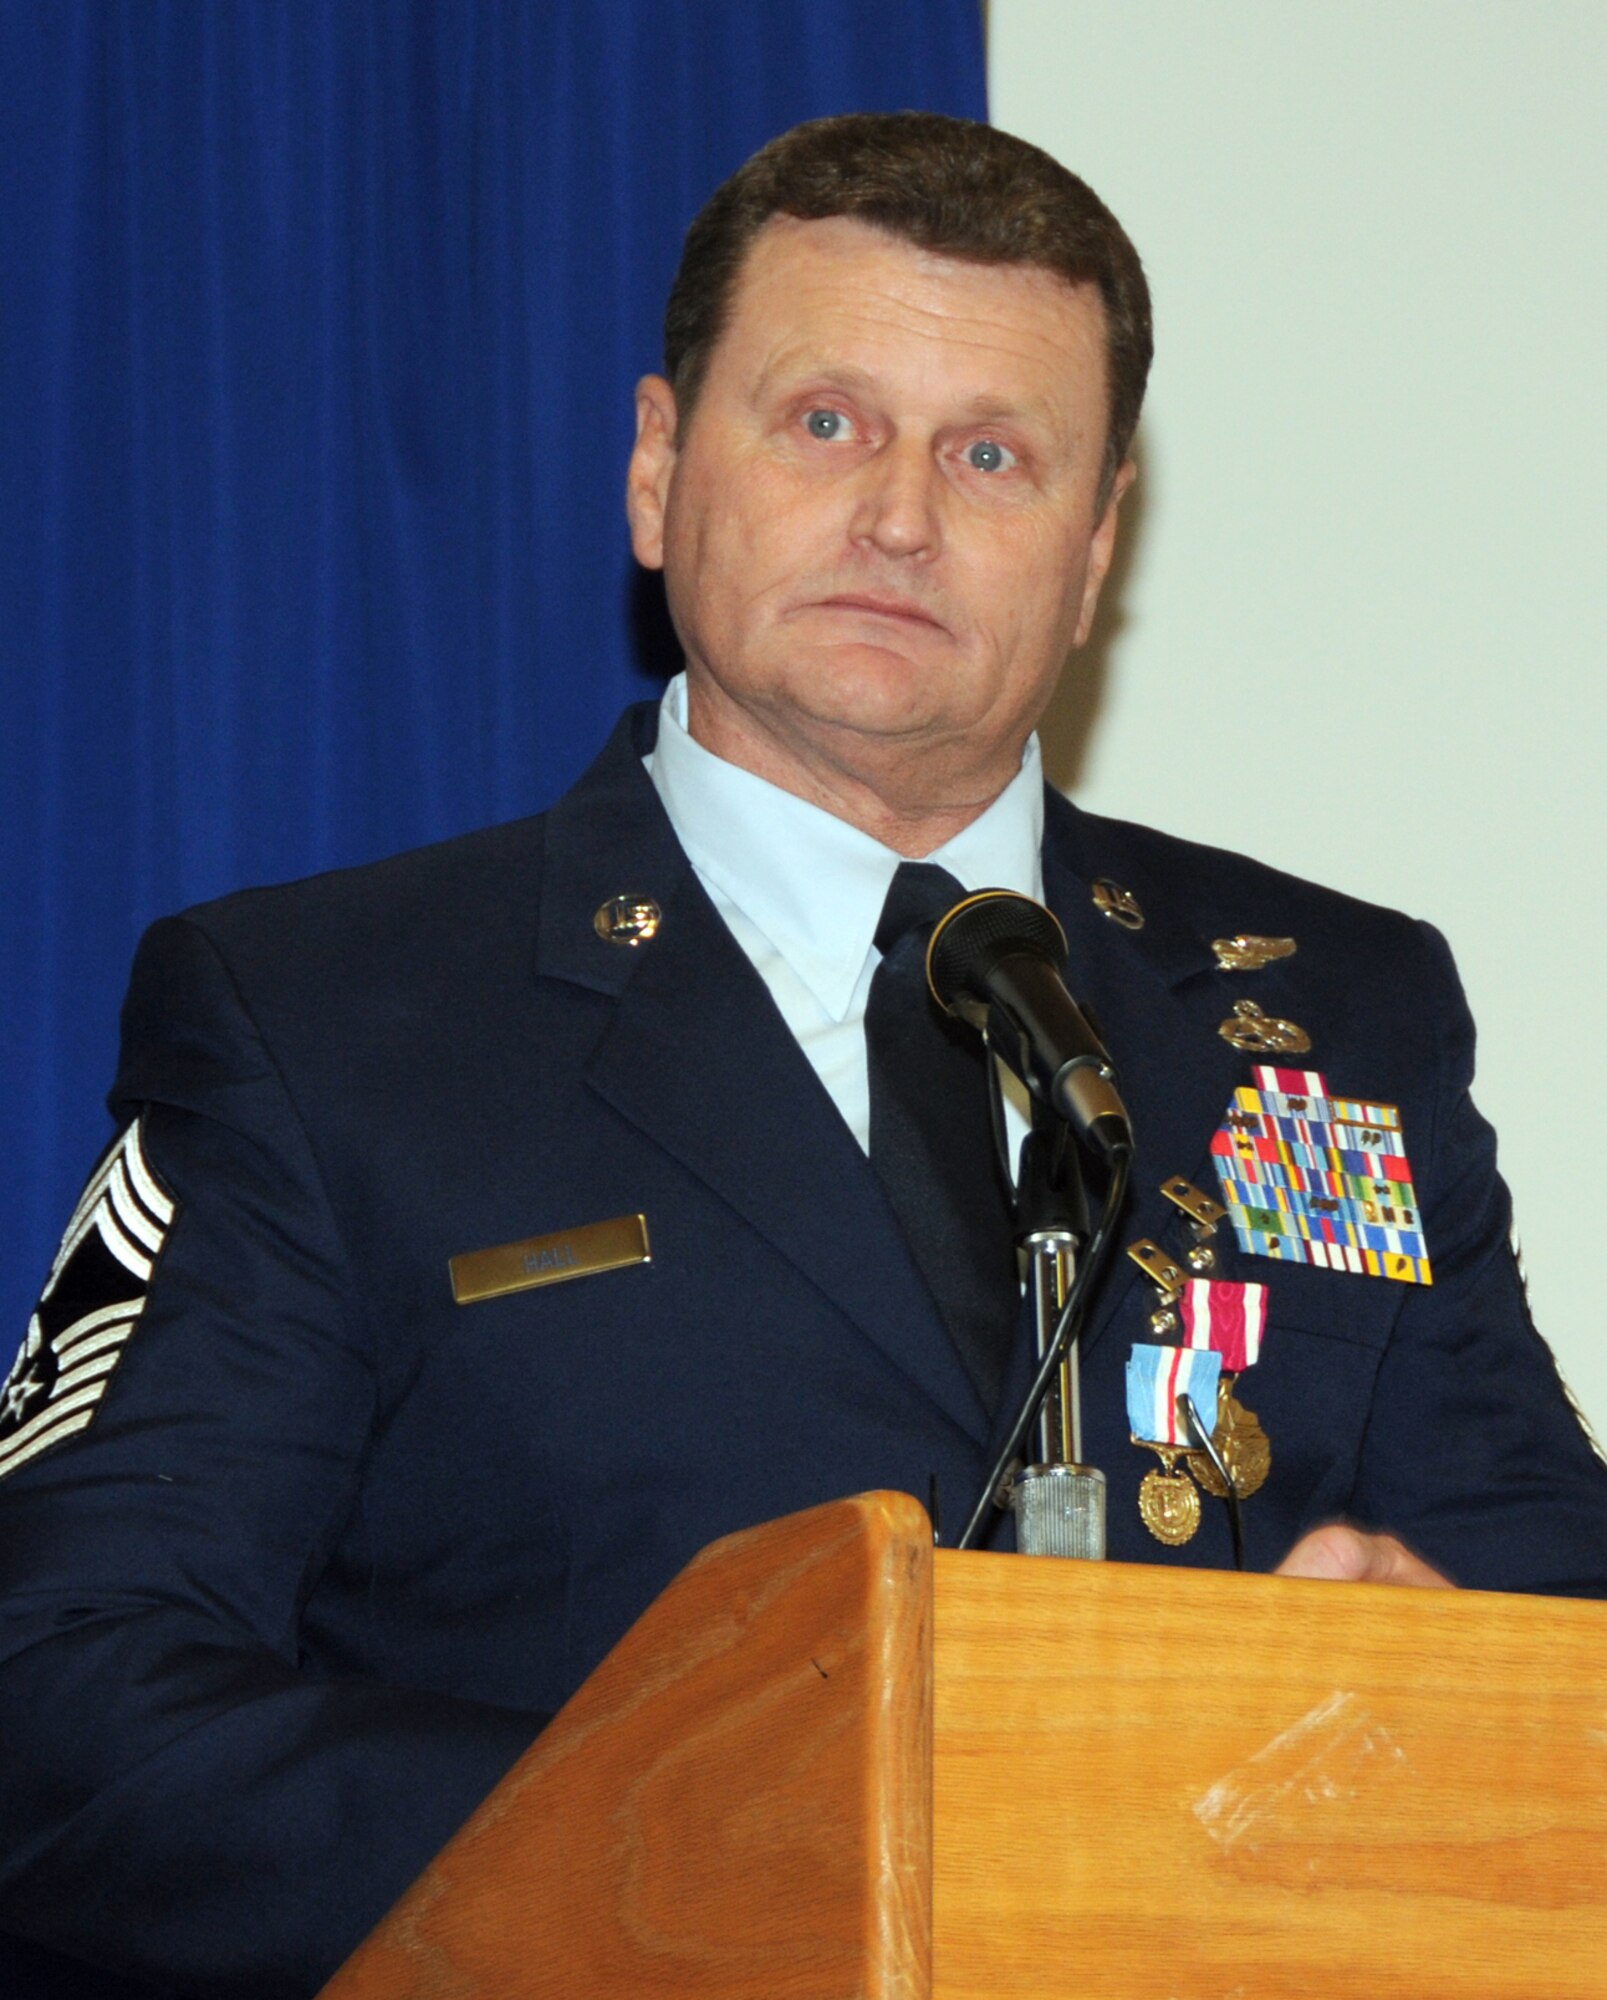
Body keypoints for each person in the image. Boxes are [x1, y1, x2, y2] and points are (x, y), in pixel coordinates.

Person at [1, 111, 1604, 2000]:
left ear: (1096, 552)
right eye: (827, 423)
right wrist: (723, 1826)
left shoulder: (1338, 1013)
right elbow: (69, 1702)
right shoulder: (325, 1013)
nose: (903, 515)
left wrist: (1459, 1698)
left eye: (993, 456)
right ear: (661, 470)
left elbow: (1552, 1628)